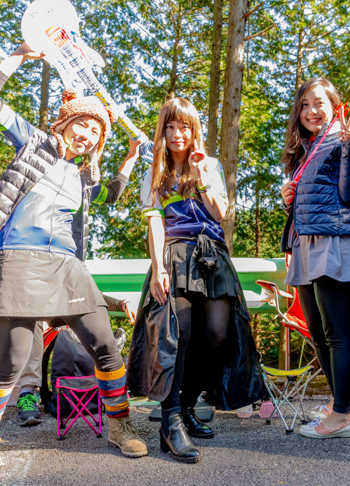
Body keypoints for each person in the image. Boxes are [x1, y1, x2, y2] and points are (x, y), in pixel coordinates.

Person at [0, 42, 145, 471]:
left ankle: (120, 425)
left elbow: (110, 193)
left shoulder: (82, 178)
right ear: (66, 122)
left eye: (97, 132)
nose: (89, 135)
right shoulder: (35, 142)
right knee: (11, 360)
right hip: (18, 260)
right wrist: (20, 55)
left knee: (105, 348)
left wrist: (131, 160)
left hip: (67, 266)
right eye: (83, 125)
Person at [127, 97, 266, 464]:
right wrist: (157, 268)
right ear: (162, 131)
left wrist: (202, 176)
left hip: (212, 255)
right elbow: (155, 221)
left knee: (218, 336)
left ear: (194, 130)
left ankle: (188, 405)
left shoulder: (211, 164)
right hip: (175, 255)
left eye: (184, 127)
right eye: (170, 127)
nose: (176, 134)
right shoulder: (154, 170)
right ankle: (171, 422)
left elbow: (220, 213)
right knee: (179, 334)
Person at [278, 77, 350, 439]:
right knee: (317, 332)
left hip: (333, 240)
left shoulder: (346, 139)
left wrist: (349, 147)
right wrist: (289, 198)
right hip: (304, 244)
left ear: (335, 106)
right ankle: (338, 402)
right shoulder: (307, 147)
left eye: (319, 103)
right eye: (304, 105)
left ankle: (344, 416)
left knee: (337, 332)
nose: (312, 111)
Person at [0, 296, 136, 425]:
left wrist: (121, 304)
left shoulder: (57, 263)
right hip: (7, 310)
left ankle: (27, 393)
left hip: (41, 319)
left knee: (30, 318)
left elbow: (91, 294)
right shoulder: (14, 259)